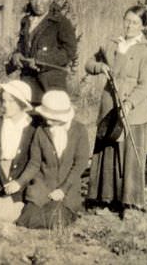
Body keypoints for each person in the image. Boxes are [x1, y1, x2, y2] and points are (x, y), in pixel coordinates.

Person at [85, 5, 147, 217]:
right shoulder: (111, 44)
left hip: (132, 111)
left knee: (130, 157)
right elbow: (89, 64)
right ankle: (105, 199)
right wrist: (100, 67)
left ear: (144, 26)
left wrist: (129, 103)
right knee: (107, 153)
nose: (129, 26)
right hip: (109, 107)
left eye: (135, 22)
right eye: (127, 20)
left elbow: (145, 85)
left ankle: (130, 204)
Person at [14, 90, 90, 229]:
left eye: (52, 118)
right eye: (45, 116)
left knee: (56, 219)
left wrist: (62, 190)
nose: (47, 121)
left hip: (67, 190)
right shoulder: (41, 131)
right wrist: (19, 182)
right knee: (28, 219)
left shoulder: (80, 131)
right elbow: (34, 163)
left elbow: (80, 165)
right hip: (42, 188)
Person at [7, 0, 77, 104]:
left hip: (50, 84)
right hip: (28, 83)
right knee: (29, 119)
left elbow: (69, 52)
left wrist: (42, 60)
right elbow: (21, 46)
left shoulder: (61, 22)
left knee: (50, 119)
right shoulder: (26, 21)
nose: (38, 3)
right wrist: (16, 55)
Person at [0, 80, 37, 223]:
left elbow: (35, 162)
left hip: (20, 182)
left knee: (10, 215)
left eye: (11, 102)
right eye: (3, 101)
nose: (5, 105)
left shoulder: (33, 128)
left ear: (22, 104)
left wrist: (19, 183)